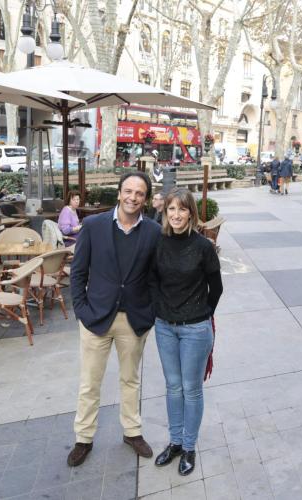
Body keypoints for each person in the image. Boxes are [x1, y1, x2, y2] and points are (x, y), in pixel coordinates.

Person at [67, 171, 161, 467]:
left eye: (140, 193)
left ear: (146, 199)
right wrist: (81, 310)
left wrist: (150, 312)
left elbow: (156, 278)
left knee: (130, 379)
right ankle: (84, 438)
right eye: (128, 191)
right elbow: (78, 272)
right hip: (95, 319)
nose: (133, 197)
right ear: (119, 193)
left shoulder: (153, 232)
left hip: (133, 321)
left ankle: (132, 432)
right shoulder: (93, 226)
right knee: (89, 383)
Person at [150, 188, 223, 476]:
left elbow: (216, 288)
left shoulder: (203, 246)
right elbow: (152, 281)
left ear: (191, 213)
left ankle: (189, 446)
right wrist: (161, 308)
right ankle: (176, 442)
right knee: (173, 386)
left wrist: (201, 312)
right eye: (171, 209)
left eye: (182, 209)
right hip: (165, 327)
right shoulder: (159, 242)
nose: (176, 215)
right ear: (165, 212)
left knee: (191, 389)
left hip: (195, 329)